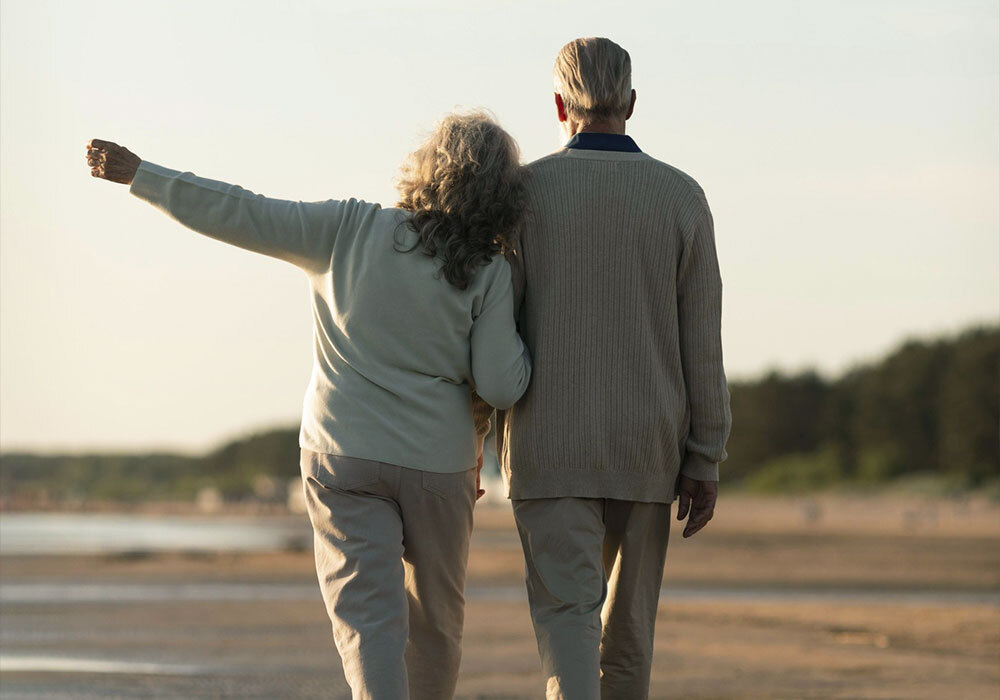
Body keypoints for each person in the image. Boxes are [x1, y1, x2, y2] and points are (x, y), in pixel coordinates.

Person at [85, 110, 532, 699]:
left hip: (343, 453)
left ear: (427, 167)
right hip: (438, 465)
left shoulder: (347, 228)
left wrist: (143, 175)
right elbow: (501, 386)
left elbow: (242, 211)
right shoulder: (490, 269)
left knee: (369, 623)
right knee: (436, 625)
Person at [483, 37, 732, 698]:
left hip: (547, 445)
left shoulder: (522, 195)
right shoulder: (682, 197)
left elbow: (492, 331)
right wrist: (705, 455)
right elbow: (702, 340)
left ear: (558, 105)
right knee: (629, 636)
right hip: (648, 447)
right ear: (632, 102)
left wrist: (469, 439)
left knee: (568, 622)